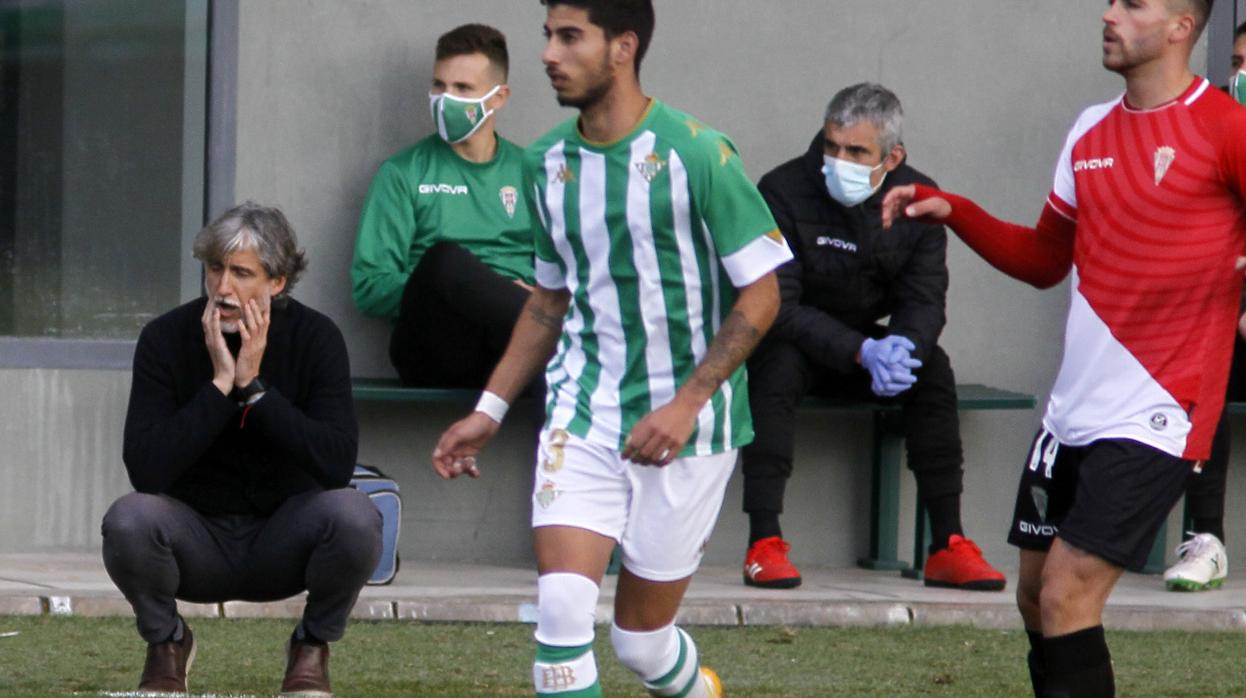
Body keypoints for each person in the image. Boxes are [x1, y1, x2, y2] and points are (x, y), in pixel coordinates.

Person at [881, 1, 1243, 695]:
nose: (1108, 14)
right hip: (1073, 408)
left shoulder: (1228, 130)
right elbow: (1047, 259)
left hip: (1161, 409)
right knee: (1036, 598)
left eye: (1133, 3)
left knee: (1066, 598)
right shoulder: (1089, 130)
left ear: (1181, 27)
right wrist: (955, 209)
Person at [432, 1, 792, 695]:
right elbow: (547, 300)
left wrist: (686, 405)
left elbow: (764, 294)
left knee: (640, 644)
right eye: (548, 37)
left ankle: (693, 686)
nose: (548, 55)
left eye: (570, 38)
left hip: (691, 428)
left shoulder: (698, 152)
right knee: (563, 609)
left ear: (623, 47)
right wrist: (491, 408)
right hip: (582, 408)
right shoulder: (545, 163)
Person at [102, 203, 381, 695]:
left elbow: (336, 464)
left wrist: (254, 389)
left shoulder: (317, 338)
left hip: (284, 538)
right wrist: (218, 387)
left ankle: (311, 646)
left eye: (241, 273)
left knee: (357, 515)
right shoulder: (166, 337)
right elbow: (145, 471)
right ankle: (167, 643)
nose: (223, 288)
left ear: (277, 282)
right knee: (130, 519)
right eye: (215, 268)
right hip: (196, 540)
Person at [740, 83, 1006, 591]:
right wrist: (859, 351)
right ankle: (763, 540)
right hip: (801, 344)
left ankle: (948, 544)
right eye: (831, 146)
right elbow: (780, 305)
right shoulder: (782, 189)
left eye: (856, 151)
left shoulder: (918, 199)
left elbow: (925, 299)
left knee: (934, 369)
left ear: (893, 156)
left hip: (871, 353)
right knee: (774, 361)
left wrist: (905, 346)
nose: (838, 160)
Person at [352, 23, 535, 388]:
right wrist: (464, 289)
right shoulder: (404, 172)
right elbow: (369, 287)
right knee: (445, 261)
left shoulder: (534, 173)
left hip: (512, 348)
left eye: (462, 88)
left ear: (499, 97)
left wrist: (536, 297)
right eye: (439, 85)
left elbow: (565, 273)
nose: (445, 98)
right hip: (435, 347)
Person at [1162, 19, 1246, 592]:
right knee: (1201, 375)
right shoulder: (1211, 134)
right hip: (1219, 321)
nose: (1241, 75)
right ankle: (1207, 539)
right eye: (1238, 62)